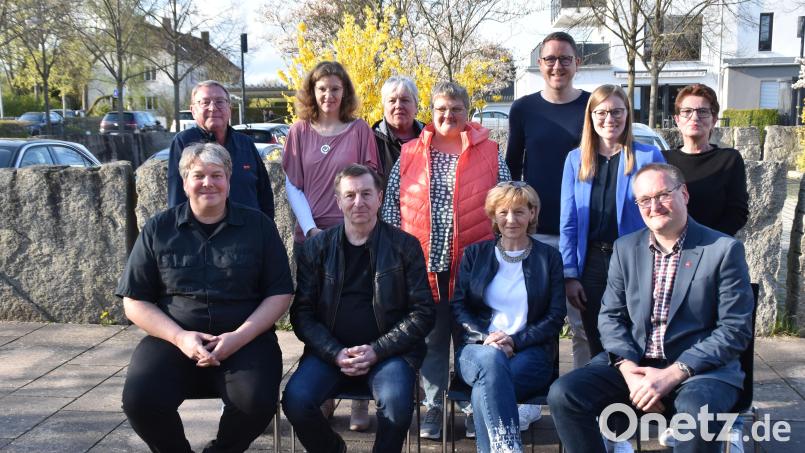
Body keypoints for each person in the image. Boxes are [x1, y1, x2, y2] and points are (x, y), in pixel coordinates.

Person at [548, 163, 754, 453]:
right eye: (644, 200)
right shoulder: (625, 248)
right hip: (636, 364)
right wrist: (630, 371)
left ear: (684, 194)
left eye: (662, 195)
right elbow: (610, 316)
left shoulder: (723, 250)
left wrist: (672, 374)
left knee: (697, 413)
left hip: (699, 372)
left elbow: (734, 329)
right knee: (564, 393)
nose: (654, 206)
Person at [118, 143, 293, 453]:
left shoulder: (259, 227)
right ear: (185, 182)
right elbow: (134, 300)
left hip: (246, 340)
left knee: (257, 402)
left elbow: (280, 293)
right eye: (198, 175)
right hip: (173, 341)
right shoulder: (159, 228)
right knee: (139, 400)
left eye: (217, 175)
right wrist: (181, 337)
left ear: (228, 180)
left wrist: (238, 338)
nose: (208, 183)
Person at [381, 81, 511, 439]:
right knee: (433, 342)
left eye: (456, 109)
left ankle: (473, 406)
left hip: (475, 267)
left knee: (472, 341)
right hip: (425, 264)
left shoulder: (489, 152)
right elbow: (392, 204)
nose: (448, 115)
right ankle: (433, 406)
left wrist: (496, 251)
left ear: (467, 113)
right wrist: (400, 255)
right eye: (441, 108)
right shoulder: (410, 153)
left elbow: (506, 203)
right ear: (431, 111)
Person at [282, 164, 435, 453]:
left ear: (379, 197)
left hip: (390, 354)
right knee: (296, 400)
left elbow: (422, 312)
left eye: (366, 194)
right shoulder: (317, 249)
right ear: (338, 201)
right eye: (350, 195)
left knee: (397, 407)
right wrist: (335, 352)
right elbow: (301, 313)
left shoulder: (405, 246)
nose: (358, 202)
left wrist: (377, 349)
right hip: (330, 353)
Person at [282, 61, 381, 429]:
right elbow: (294, 185)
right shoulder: (298, 131)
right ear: (312, 91)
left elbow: (369, 180)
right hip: (312, 238)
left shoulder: (358, 131)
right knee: (318, 314)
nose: (329, 95)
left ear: (345, 92)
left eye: (335, 89)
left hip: (355, 235)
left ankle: (359, 399)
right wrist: (311, 231)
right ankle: (323, 394)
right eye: (322, 89)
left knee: (361, 308)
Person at [452, 182, 566, 451]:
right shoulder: (475, 255)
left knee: (486, 387)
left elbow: (555, 315)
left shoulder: (549, 258)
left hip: (530, 353)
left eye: (519, 211)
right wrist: (487, 339)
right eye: (502, 212)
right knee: (490, 363)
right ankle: (508, 445)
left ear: (532, 214)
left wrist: (514, 341)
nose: (511, 219)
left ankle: (504, 447)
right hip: (478, 349)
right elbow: (458, 307)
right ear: (493, 216)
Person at [506, 31, 592, 371]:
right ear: (540, 64)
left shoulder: (592, 106)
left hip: (581, 232)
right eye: (550, 59)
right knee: (535, 320)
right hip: (537, 231)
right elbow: (512, 168)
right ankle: (532, 395)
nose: (558, 66)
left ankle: (584, 397)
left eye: (565, 59)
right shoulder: (523, 108)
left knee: (584, 324)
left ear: (577, 63)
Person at [560, 84, 665, 359]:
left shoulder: (647, 156)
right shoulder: (575, 160)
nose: (610, 119)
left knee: (636, 331)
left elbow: (665, 212)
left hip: (637, 260)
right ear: (591, 116)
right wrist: (570, 274)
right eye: (602, 112)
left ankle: (633, 396)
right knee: (596, 333)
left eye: (617, 111)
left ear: (627, 114)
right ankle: (602, 395)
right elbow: (568, 221)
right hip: (592, 262)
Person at [168, 80, 274, 219]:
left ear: (229, 108)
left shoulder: (245, 143)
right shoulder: (184, 143)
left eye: (220, 101)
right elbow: (177, 199)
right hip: (206, 236)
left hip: (249, 234)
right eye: (205, 102)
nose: (213, 107)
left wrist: (266, 231)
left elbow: (264, 194)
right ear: (193, 110)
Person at [663, 83, 748, 236]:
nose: (694, 117)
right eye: (687, 111)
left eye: (702, 111)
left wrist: (707, 243)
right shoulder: (663, 160)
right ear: (677, 119)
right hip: (670, 246)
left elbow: (737, 213)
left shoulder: (729, 160)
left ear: (714, 119)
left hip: (714, 247)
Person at [372, 75, 424, 176]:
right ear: (383, 106)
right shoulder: (371, 140)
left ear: (416, 106)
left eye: (405, 100)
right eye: (392, 101)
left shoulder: (431, 138)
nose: (398, 106)